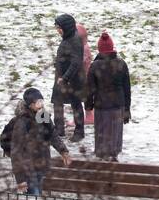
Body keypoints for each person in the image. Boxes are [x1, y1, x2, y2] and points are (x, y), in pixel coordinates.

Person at [6, 88, 71, 196]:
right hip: (28, 169)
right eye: (38, 102)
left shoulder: (43, 116)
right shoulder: (22, 122)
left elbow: (52, 135)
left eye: (42, 101)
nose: (41, 104)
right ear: (30, 104)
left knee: (37, 198)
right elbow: (16, 152)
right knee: (34, 199)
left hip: (41, 165)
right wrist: (20, 179)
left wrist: (63, 151)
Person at [85, 32, 132, 162]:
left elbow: (90, 89)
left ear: (99, 49)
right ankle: (114, 155)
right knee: (115, 133)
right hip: (118, 105)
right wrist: (127, 109)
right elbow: (127, 89)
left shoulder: (94, 66)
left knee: (102, 133)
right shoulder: (121, 64)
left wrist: (88, 105)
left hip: (102, 105)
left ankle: (102, 156)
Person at [51, 13, 86, 141]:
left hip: (72, 80)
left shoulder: (75, 40)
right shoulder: (67, 37)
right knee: (57, 102)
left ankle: (79, 131)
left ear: (66, 27)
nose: (58, 31)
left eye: (59, 28)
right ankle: (59, 129)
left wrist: (65, 78)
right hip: (62, 77)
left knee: (76, 104)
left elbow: (76, 62)